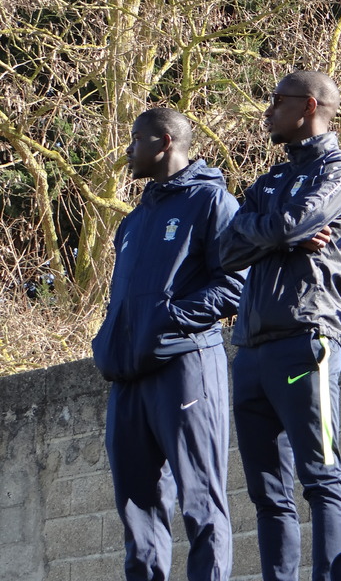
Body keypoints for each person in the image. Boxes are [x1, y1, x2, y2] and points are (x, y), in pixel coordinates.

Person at [92, 108, 245, 581]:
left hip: (186, 365)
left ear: (164, 142)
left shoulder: (212, 201)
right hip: (127, 377)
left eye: (135, 139)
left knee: (201, 501)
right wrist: (109, 339)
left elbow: (236, 284)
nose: (128, 150)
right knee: (137, 511)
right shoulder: (133, 222)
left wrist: (168, 321)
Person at [221, 69, 341, 581]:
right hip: (250, 351)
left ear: (308, 106)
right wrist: (284, 237)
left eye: (277, 100)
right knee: (267, 495)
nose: (268, 110)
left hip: (306, 340)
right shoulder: (268, 182)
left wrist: (274, 233)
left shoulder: (339, 171)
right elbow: (226, 248)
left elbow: (284, 224)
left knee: (320, 478)